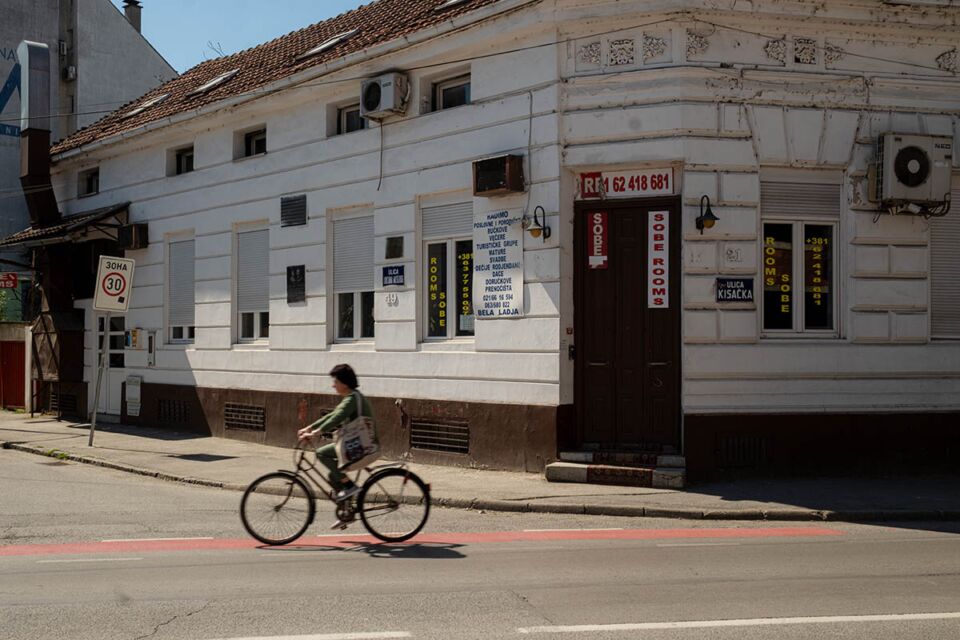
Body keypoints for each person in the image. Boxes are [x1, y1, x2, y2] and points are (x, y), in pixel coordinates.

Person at [297, 364, 375, 505]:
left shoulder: (352, 399)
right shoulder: (350, 398)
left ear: (344, 383)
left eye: (336, 382)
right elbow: (332, 415)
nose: (333, 386)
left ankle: (351, 487)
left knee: (321, 453)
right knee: (334, 476)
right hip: (354, 442)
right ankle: (346, 509)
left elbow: (336, 418)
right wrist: (309, 427)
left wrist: (315, 433)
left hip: (361, 444)